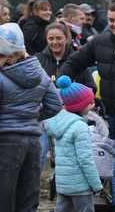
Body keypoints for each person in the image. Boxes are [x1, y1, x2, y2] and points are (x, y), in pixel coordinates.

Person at [0, 23, 62, 212]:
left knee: (0, 206)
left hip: (4, 145)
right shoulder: (41, 74)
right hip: (33, 143)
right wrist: (32, 118)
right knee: (28, 206)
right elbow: (56, 105)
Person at [59, 2, 115, 139]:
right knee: (113, 152)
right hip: (110, 113)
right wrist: (63, 80)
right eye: (111, 20)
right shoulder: (99, 42)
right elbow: (75, 62)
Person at [44, 76, 105, 212]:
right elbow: (85, 160)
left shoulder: (58, 124)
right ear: (80, 105)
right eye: (90, 101)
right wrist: (96, 184)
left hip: (64, 182)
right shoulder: (80, 127)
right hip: (80, 184)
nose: (93, 103)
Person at [36, 23, 95, 169]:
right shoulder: (38, 60)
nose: (55, 42)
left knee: (68, 157)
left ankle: (63, 184)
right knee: (39, 153)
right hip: (45, 116)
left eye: (58, 38)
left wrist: (78, 100)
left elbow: (91, 86)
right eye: (51, 38)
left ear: (67, 38)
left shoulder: (76, 60)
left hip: (71, 117)